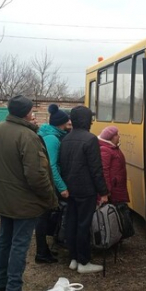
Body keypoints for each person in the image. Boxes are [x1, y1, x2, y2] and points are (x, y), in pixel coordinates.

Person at [0, 95, 57, 291]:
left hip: (2, 198)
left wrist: (3, 182)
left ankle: (1, 284)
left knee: (4, 240)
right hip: (24, 201)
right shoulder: (27, 135)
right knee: (19, 244)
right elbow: (36, 175)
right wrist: (48, 197)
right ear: (27, 112)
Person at [59, 106, 109, 274]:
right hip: (86, 189)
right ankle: (84, 261)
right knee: (83, 225)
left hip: (69, 188)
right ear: (87, 120)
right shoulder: (90, 139)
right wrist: (103, 192)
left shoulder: (66, 138)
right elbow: (96, 169)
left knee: (71, 223)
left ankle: (73, 258)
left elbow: (63, 165)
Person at [34, 104, 71, 264]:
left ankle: (44, 250)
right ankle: (41, 252)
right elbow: (51, 166)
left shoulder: (50, 133)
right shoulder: (52, 139)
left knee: (45, 216)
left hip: (46, 183)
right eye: (67, 123)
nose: (69, 125)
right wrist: (62, 188)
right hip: (48, 185)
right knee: (43, 217)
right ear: (61, 123)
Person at [98, 126, 130, 204]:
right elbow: (104, 171)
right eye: (117, 135)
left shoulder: (112, 148)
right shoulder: (105, 150)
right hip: (113, 190)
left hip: (117, 187)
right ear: (112, 137)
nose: (119, 136)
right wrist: (106, 191)